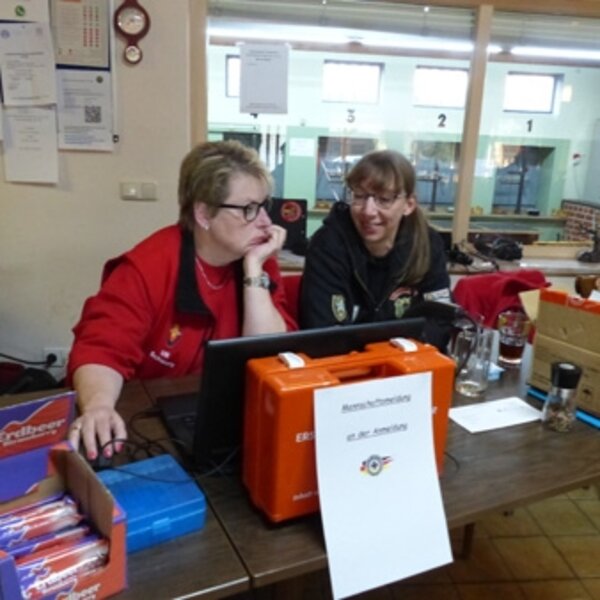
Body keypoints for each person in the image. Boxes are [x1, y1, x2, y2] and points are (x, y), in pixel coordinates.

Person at [67, 140, 297, 461]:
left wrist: (255, 267)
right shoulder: (148, 265)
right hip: (144, 421)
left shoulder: (257, 260)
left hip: (220, 414)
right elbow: (101, 349)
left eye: (263, 206)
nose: (265, 222)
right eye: (248, 209)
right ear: (203, 213)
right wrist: (99, 406)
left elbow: (269, 357)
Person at [299, 148, 451, 349]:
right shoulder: (327, 245)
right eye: (360, 196)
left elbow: (440, 321)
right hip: (347, 364)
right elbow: (323, 333)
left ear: (408, 205)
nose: (368, 211)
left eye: (384, 199)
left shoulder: (427, 243)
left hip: (409, 361)